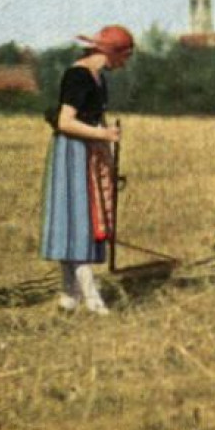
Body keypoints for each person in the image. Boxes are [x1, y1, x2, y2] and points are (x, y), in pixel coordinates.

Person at [39, 24, 135, 314]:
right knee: (78, 223)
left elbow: (90, 119)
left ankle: (69, 296)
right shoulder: (78, 76)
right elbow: (66, 121)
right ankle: (92, 299)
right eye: (125, 56)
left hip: (89, 152)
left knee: (84, 221)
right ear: (113, 53)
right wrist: (104, 135)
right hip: (73, 153)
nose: (126, 63)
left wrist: (104, 139)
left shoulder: (97, 78)